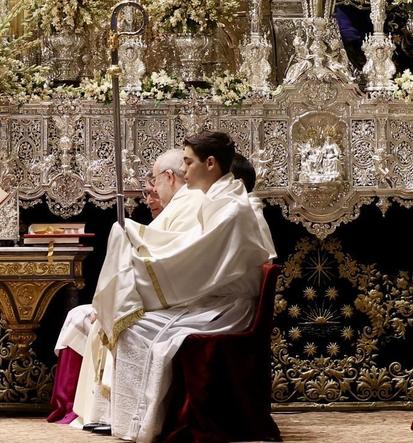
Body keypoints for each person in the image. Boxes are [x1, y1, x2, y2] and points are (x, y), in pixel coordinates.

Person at [89, 131, 275, 443]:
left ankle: (142, 423)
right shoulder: (219, 199)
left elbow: (193, 261)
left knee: (135, 328)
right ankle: (131, 419)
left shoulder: (232, 208)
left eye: (188, 162)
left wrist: (139, 257)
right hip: (214, 301)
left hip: (228, 309)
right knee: (135, 323)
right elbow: (189, 247)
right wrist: (137, 238)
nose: (184, 170)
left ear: (211, 163)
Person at [56, 149, 200, 429]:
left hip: (188, 303)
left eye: (155, 181)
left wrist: (127, 233)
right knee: (108, 319)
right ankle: (104, 414)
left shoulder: (189, 202)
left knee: (123, 325)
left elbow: (170, 256)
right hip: (179, 296)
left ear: (168, 177)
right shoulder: (184, 202)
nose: (153, 191)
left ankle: (126, 418)